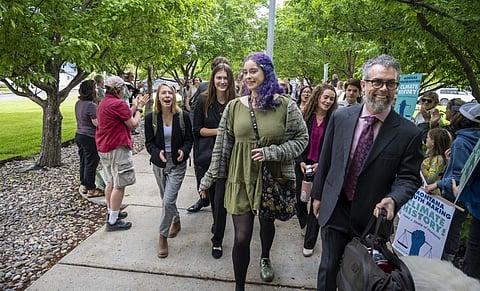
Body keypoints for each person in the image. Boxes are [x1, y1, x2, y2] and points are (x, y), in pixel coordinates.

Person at [311, 54, 423, 291]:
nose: (384, 89)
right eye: (377, 82)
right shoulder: (341, 117)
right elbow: (327, 158)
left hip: (372, 218)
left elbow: (409, 177)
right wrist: (318, 194)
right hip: (336, 207)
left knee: (362, 276)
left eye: (390, 83)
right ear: (364, 85)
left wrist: (393, 199)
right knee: (329, 267)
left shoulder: (408, 132)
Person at [198, 51, 308, 290]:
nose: (248, 76)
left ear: (266, 72)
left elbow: (302, 139)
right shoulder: (234, 107)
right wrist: (208, 179)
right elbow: (222, 147)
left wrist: (272, 152)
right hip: (240, 177)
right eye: (245, 72)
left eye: (253, 71)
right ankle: (239, 286)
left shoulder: (286, 106)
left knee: (267, 226)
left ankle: (265, 256)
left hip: (271, 177)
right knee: (241, 236)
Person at [425, 102, 480, 262]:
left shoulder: (461, 142)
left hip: (456, 197)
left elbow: (458, 178)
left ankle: (443, 260)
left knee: (447, 231)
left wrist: (437, 184)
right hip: (469, 200)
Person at [144, 83, 193, 258]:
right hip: (159, 164)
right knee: (166, 199)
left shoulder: (183, 117)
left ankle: (162, 236)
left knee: (167, 200)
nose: (167, 96)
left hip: (177, 164)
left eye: (170, 93)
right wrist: (157, 153)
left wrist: (184, 151)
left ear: (174, 96)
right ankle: (176, 220)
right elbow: (148, 143)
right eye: (163, 93)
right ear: (158, 97)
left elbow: (189, 139)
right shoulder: (150, 118)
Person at [96, 75, 149, 231]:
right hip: (117, 148)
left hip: (104, 148)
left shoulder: (105, 103)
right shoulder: (118, 104)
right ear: (119, 89)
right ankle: (113, 221)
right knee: (120, 185)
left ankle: (112, 212)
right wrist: (139, 109)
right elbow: (132, 124)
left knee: (111, 182)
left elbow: (124, 115)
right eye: (124, 88)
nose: (126, 90)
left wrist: (134, 106)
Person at [194, 62, 236, 258]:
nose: (222, 81)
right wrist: (220, 131)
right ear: (213, 80)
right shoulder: (203, 101)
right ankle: (216, 223)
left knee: (221, 202)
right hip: (208, 157)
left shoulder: (236, 102)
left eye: (225, 78)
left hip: (230, 159)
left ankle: (217, 240)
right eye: (218, 77)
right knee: (214, 199)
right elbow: (197, 130)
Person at [294, 83, 338, 257]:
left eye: (331, 99)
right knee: (300, 199)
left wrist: (323, 163)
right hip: (303, 165)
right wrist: (299, 161)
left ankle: (309, 242)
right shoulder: (304, 116)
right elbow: (295, 139)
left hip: (322, 167)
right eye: (325, 97)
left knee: (315, 203)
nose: (327, 101)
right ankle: (303, 223)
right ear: (318, 97)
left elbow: (336, 146)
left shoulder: (335, 119)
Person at [187, 56, 231, 213]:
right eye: (218, 74)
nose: (222, 80)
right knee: (203, 175)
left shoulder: (233, 94)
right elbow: (194, 114)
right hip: (206, 145)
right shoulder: (203, 90)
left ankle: (219, 211)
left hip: (226, 149)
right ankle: (203, 198)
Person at [75, 80, 103, 198]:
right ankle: (91, 189)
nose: (97, 90)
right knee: (92, 162)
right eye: (95, 88)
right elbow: (97, 123)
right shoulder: (91, 106)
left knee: (84, 161)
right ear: (91, 91)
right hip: (89, 137)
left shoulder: (79, 103)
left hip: (79, 135)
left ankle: (84, 184)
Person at [420, 128, 451, 195]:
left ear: (433, 142)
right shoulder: (430, 155)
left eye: (428, 137)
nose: (426, 139)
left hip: (431, 193)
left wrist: (421, 167)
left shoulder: (439, 159)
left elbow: (430, 179)